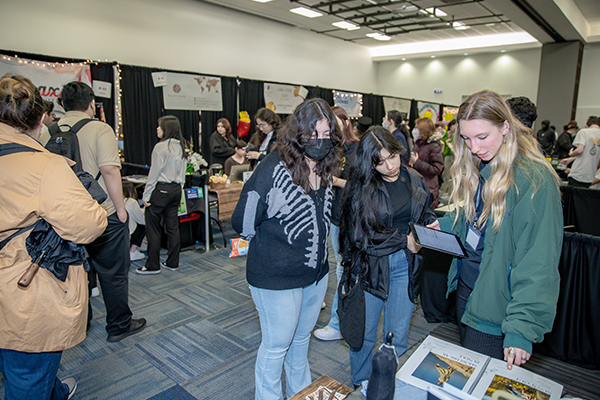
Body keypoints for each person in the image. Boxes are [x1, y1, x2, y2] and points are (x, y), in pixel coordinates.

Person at [430, 90, 562, 370]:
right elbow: (477, 222)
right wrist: (442, 226)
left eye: (481, 137)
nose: (474, 147)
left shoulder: (533, 180)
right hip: (469, 290)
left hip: (497, 304)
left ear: (505, 127)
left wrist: (522, 326)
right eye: (466, 138)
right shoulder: (483, 164)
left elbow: (538, 261)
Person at [0, 74, 107, 400]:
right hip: (22, 287)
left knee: (11, 361)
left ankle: (55, 391)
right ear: (41, 118)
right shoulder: (44, 166)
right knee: (28, 374)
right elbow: (89, 225)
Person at [232, 98, 343, 400]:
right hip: (276, 277)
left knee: (300, 341)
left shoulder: (325, 165)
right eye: (312, 134)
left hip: (316, 273)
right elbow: (242, 222)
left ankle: (300, 393)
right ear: (298, 133)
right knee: (276, 345)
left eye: (326, 135)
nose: (320, 142)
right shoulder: (273, 167)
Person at [339, 126, 436, 390]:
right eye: (379, 162)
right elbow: (361, 237)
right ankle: (361, 382)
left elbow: (423, 212)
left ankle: (386, 379)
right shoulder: (362, 187)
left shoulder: (413, 178)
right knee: (365, 334)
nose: (390, 166)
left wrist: (431, 225)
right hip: (371, 267)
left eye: (392, 156)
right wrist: (404, 240)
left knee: (397, 333)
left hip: (407, 264)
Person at [58, 81, 146, 342]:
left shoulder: (50, 130)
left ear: (63, 104)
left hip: (66, 216)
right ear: (90, 104)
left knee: (77, 274)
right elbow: (110, 170)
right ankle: (119, 325)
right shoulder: (99, 128)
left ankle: (80, 325)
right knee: (114, 273)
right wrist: (121, 211)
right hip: (102, 213)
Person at [313, 106, 359, 342]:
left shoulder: (356, 149)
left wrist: (334, 181)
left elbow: (361, 186)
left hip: (349, 218)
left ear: (346, 122)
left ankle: (338, 324)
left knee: (344, 270)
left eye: (335, 122)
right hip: (332, 216)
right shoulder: (332, 149)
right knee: (337, 267)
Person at [137, 115, 187, 274]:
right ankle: (173, 262)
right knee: (172, 228)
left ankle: (152, 265)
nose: (157, 129)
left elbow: (154, 174)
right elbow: (183, 174)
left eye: (159, 126)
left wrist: (146, 195)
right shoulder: (182, 146)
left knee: (153, 228)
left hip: (161, 190)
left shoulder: (161, 147)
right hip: (176, 190)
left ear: (167, 128)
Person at [410, 117, 444, 208]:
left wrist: (417, 162)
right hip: (416, 185)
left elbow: (437, 168)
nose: (414, 130)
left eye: (417, 128)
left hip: (428, 187)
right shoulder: (418, 143)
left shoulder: (433, 146)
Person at [560, 116, 600, 188]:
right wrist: (571, 159)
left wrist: (571, 154)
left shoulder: (584, 132)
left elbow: (579, 150)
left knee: (572, 197)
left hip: (578, 174)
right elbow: (589, 154)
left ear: (587, 125)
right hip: (590, 176)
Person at [123, 180, 146, 261]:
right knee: (144, 224)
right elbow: (141, 220)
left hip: (120, 233)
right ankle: (132, 251)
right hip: (129, 234)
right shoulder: (131, 202)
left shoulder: (118, 201)